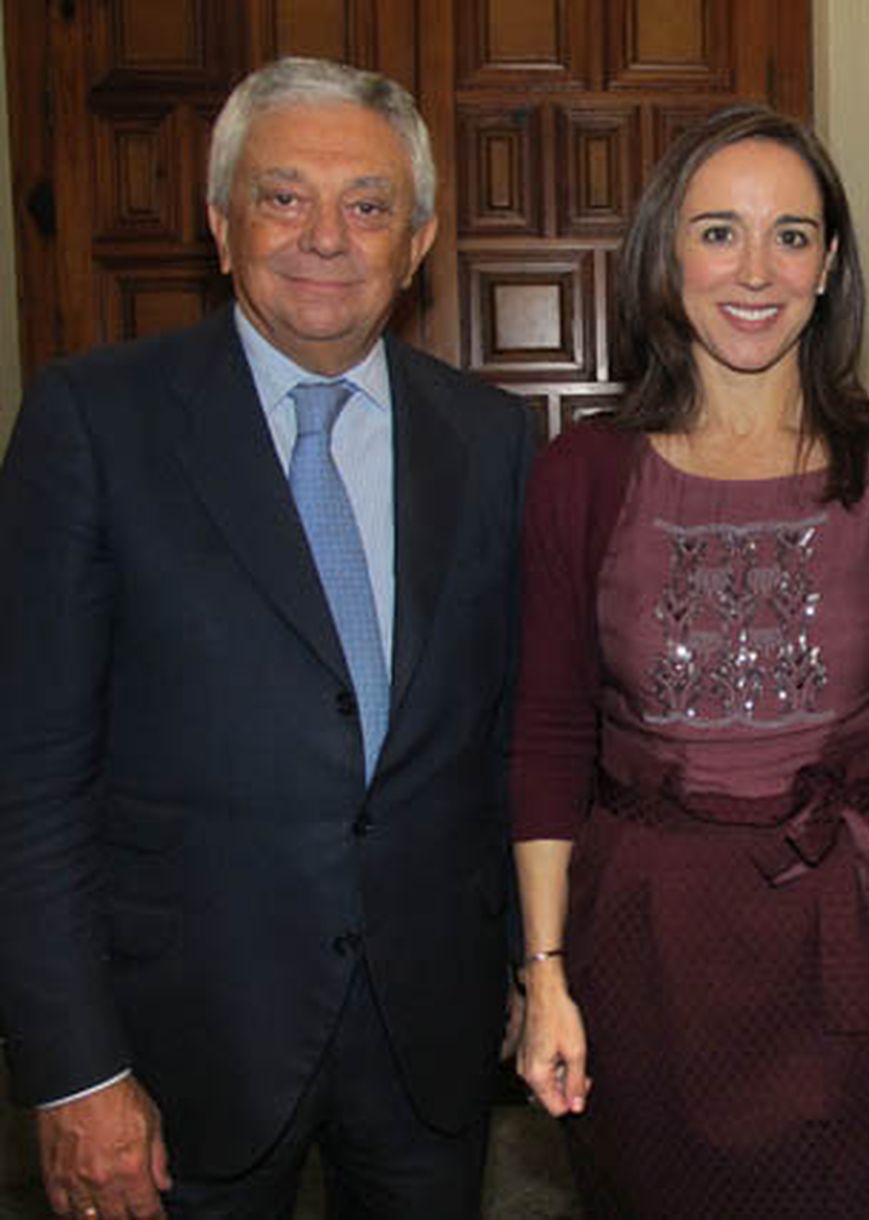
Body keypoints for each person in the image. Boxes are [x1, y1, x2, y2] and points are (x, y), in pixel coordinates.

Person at [0, 57, 533, 1218]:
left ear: (421, 237)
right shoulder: (93, 421)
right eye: (284, 197)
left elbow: (504, 739)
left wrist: (522, 964)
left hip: (428, 1033)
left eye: (368, 204)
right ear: (219, 224)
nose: (326, 238)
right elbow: (30, 777)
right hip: (178, 1043)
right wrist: (74, 1068)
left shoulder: (494, 442)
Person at [508, 104, 869, 1217]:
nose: (755, 269)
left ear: (829, 266)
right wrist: (545, 977)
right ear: (665, 256)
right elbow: (545, 736)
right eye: (718, 231)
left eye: (793, 234)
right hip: (642, 948)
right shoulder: (581, 474)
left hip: (853, 949)